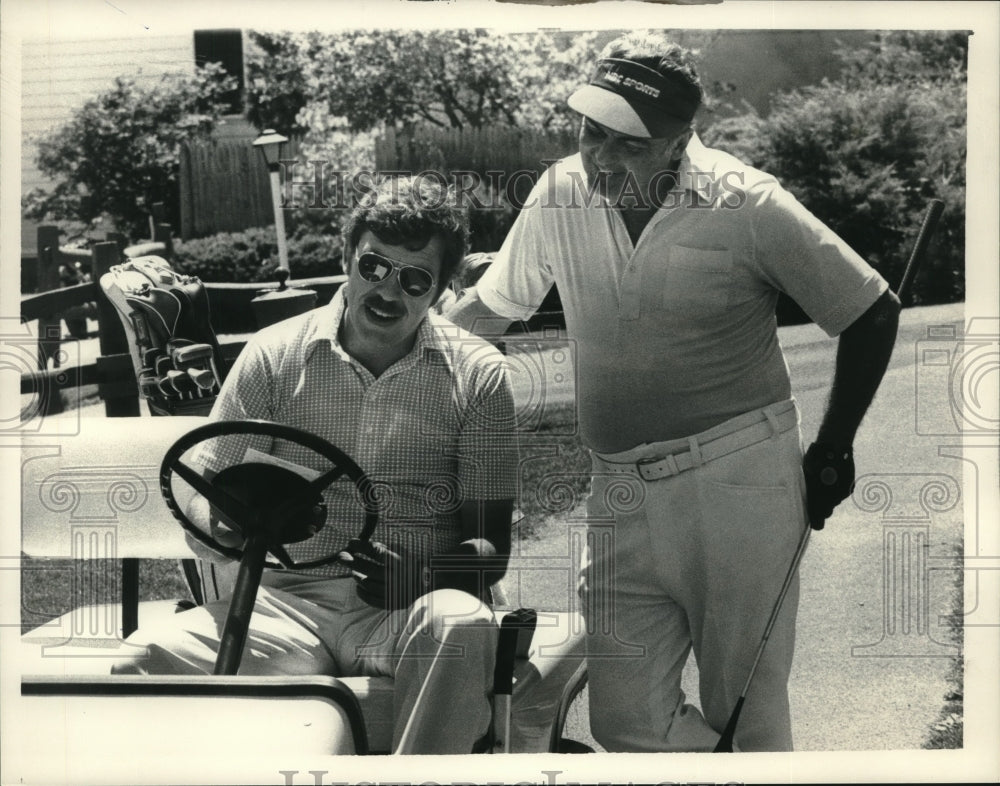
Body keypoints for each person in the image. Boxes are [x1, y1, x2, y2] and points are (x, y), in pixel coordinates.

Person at [445, 32, 900, 753]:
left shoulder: (747, 204)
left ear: (678, 141)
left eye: (626, 142)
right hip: (618, 489)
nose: (599, 155)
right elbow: (494, 306)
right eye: (590, 131)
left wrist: (835, 447)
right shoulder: (561, 188)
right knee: (622, 720)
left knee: (745, 708)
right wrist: (408, 343)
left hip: (739, 482)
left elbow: (872, 309)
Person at [113, 177, 519, 755]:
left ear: (442, 290)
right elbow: (205, 488)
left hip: (409, 611)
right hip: (281, 603)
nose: (387, 291)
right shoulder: (274, 354)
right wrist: (224, 521)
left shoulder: (479, 376)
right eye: (374, 266)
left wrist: (420, 579)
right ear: (346, 256)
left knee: (464, 626)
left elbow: (490, 549)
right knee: (141, 662)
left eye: (414, 279)